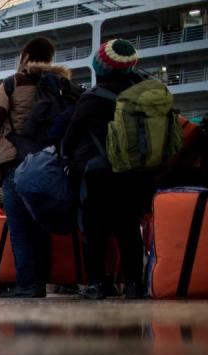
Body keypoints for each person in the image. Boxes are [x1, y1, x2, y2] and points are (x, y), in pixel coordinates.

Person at [0, 37, 75, 298]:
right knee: (41, 226)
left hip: (16, 162)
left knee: (20, 228)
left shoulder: (12, 84)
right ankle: (42, 280)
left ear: (25, 56)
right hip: (48, 165)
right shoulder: (61, 84)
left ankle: (29, 284)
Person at [62, 40, 149, 300]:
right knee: (129, 229)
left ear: (100, 67)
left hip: (99, 175)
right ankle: (134, 284)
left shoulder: (92, 98)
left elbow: (70, 139)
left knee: (95, 231)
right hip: (135, 174)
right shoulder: (143, 96)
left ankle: (99, 283)